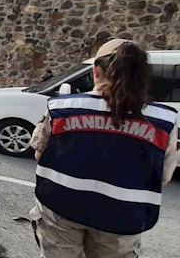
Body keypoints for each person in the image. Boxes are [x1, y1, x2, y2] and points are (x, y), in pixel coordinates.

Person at [28, 39, 178, 258]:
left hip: (60, 208)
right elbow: (163, 176)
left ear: (96, 71)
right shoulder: (164, 121)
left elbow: (39, 153)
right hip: (123, 219)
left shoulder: (62, 108)